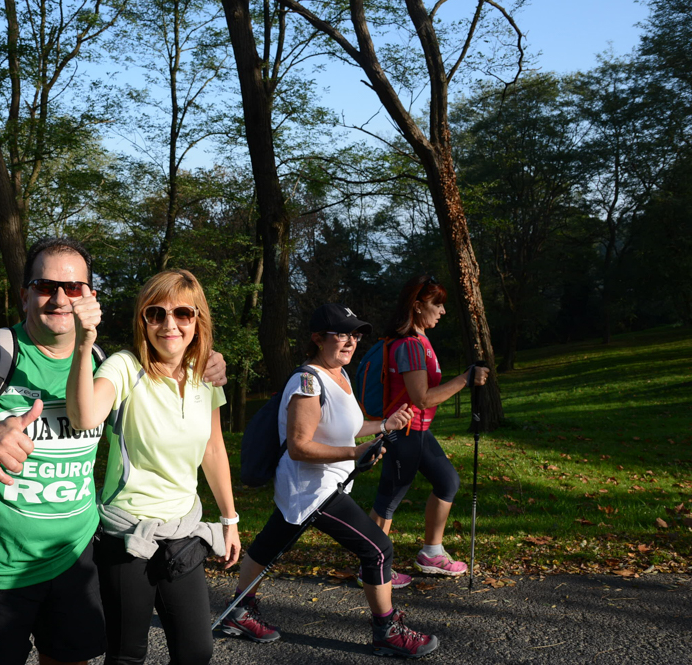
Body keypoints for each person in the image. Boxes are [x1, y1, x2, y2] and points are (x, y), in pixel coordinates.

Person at [0, 239, 227, 665]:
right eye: (46, 286)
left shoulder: (100, 359)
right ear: (24, 295)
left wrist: (206, 358)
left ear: (90, 297)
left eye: (74, 288)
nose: (60, 298)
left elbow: (162, 363)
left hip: (75, 559)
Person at [220, 303, 438, 659]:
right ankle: (386, 632)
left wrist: (385, 425)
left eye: (355, 335)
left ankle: (239, 613)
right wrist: (355, 452)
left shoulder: (341, 375)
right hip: (313, 491)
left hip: (320, 486)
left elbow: (348, 427)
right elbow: (299, 447)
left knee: (268, 545)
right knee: (378, 549)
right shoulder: (308, 382)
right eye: (342, 334)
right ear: (318, 338)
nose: (350, 341)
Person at [66, 269, 240, 665]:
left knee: (196, 652)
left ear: (198, 320)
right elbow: (83, 416)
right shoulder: (124, 367)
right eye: (156, 313)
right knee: (127, 655)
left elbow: (213, 448)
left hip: (183, 532)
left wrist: (229, 519)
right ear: (142, 320)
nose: (169, 324)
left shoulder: (205, 375)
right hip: (127, 534)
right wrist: (83, 344)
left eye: (183, 313)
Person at [368, 274, 489, 579]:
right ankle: (371, 567)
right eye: (438, 304)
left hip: (419, 431)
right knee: (388, 501)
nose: (443, 311)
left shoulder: (420, 340)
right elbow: (421, 398)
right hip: (404, 431)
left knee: (447, 482)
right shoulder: (409, 344)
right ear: (418, 305)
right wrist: (465, 379)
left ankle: (432, 553)